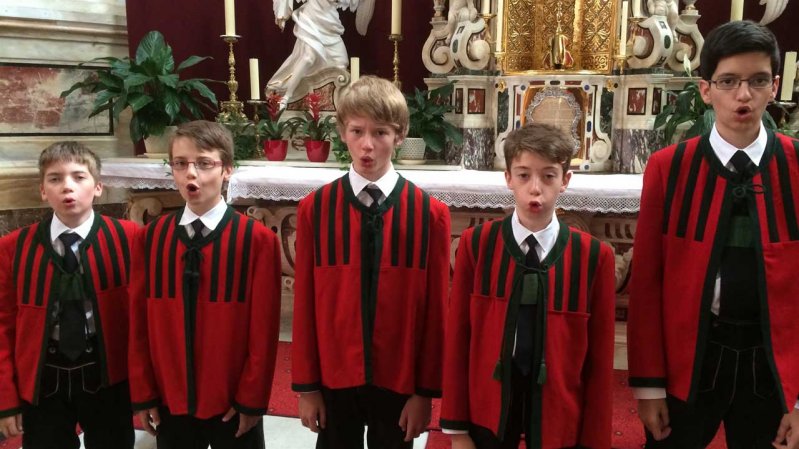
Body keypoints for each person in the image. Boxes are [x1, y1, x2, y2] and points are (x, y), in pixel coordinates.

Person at [627, 20, 799, 449]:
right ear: (706, 89)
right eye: (728, 81)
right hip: (693, 360)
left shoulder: (797, 168)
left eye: (757, 81)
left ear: (774, 85)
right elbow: (647, 283)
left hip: (774, 363)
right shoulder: (670, 168)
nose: (744, 95)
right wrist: (648, 388)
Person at [292, 75, 451, 448]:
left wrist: (423, 393)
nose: (367, 145)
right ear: (342, 132)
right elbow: (306, 307)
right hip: (334, 379)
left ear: (399, 135)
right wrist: (307, 387)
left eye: (380, 132)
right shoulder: (315, 210)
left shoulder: (430, 215)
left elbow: (434, 314)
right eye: (357, 130)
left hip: (398, 382)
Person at [440, 123, 616, 449]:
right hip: (488, 405)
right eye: (523, 175)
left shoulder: (595, 257)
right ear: (508, 177)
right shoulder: (476, 246)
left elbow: (600, 361)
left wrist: (594, 441)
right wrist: (457, 429)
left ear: (565, 180)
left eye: (548, 176)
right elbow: (459, 339)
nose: (535, 188)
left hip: (559, 408)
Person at [128, 120, 282, 448]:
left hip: (233, 402)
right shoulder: (151, 239)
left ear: (226, 169)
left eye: (204, 163)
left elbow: (263, 331)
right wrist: (144, 393)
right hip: (172, 399)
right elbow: (139, 324)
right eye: (180, 164)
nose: (190, 174)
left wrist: (251, 399)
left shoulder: (256, 241)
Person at [0, 142, 138, 448]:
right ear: (42, 190)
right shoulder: (13, 248)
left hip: (107, 376)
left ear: (98, 187)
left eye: (79, 177)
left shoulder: (130, 239)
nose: (67, 187)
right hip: (43, 378)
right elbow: (3, 326)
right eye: (55, 178)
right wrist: (6, 399)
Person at [269, 0, 373, 108]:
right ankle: (286, 97)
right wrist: (282, 13)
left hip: (330, 22)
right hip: (311, 18)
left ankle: (341, 105)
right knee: (308, 58)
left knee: (341, 63)